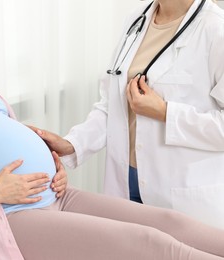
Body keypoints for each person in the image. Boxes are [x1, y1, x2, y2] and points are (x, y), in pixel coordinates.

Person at [0, 1, 224, 259]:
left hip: (57, 195)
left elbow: (0, 147)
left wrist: (53, 161)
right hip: (10, 214)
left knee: (168, 222)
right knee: (154, 246)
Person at [30, 0, 224, 228]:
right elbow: (112, 105)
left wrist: (165, 112)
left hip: (182, 194)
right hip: (126, 183)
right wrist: (72, 144)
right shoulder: (136, 19)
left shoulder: (216, 29)